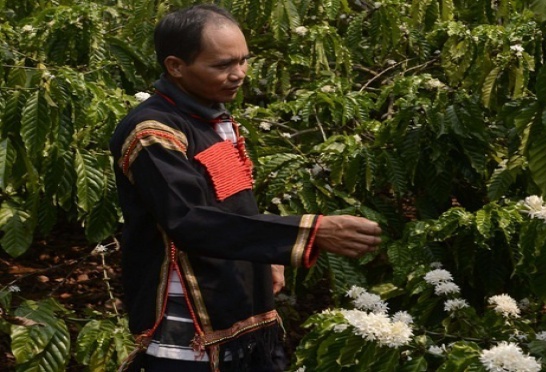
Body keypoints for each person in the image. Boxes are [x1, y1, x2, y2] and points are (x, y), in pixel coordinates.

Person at [110, 4, 382, 372]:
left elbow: (231, 202)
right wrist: (311, 231)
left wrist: (265, 257)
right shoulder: (153, 132)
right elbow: (190, 220)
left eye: (243, 61)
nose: (238, 74)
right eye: (222, 65)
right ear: (175, 66)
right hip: (191, 315)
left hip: (236, 292)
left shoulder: (212, 114)